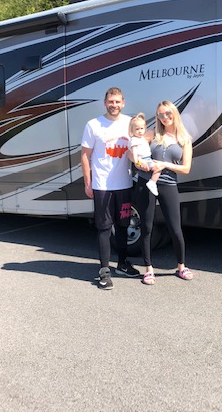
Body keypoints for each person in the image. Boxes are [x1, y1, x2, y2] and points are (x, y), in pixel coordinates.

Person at [81, 87, 140, 290]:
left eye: (117, 101)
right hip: (102, 186)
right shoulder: (93, 125)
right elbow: (85, 155)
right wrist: (88, 182)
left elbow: (140, 143)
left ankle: (122, 263)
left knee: (123, 225)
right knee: (104, 228)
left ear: (123, 103)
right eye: (111, 101)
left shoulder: (129, 123)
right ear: (105, 102)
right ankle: (104, 270)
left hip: (124, 184)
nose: (114, 105)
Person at [135, 101, 194, 285]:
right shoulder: (153, 133)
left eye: (167, 113)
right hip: (146, 183)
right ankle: (148, 269)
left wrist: (165, 165)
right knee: (146, 227)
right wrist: (139, 163)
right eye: (160, 115)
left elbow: (186, 169)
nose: (164, 117)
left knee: (175, 229)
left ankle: (181, 266)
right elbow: (135, 150)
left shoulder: (185, 139)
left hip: (168, 184)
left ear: (174, 113)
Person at [128, 113, 160, 197]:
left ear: (145, 128)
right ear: (132, 130)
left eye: (142, 128)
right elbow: (135, 155)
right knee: (158, 168)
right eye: (137, 129)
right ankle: (152, 182)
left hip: (148, 159)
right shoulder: (134, 140)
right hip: (144, 160)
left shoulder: (141, 139)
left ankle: (152, 182)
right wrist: (139, 163)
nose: (140, 131)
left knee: (157, 167)